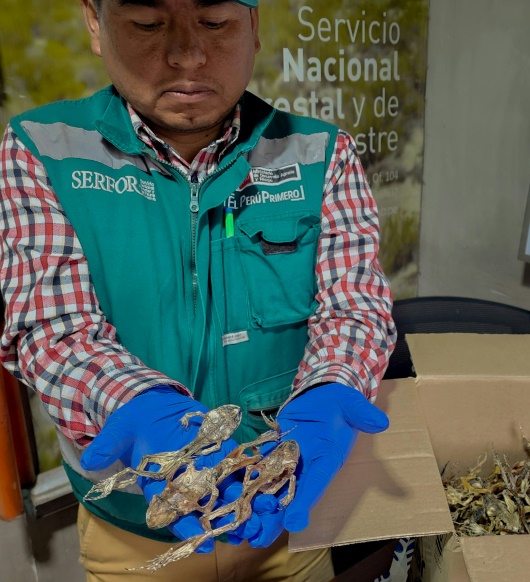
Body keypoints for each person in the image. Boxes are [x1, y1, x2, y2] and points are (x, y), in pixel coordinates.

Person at [0, 0, 396, 579]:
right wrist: (140, 405)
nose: (188, 54)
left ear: (254, 27)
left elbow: (353, 307)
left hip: (289, 512)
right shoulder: (43, 149)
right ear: (95, 22)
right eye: (147, 24)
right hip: (142, 525)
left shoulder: (320, 154)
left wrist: (332, 385)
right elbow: (51, 324)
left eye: (215, 24)